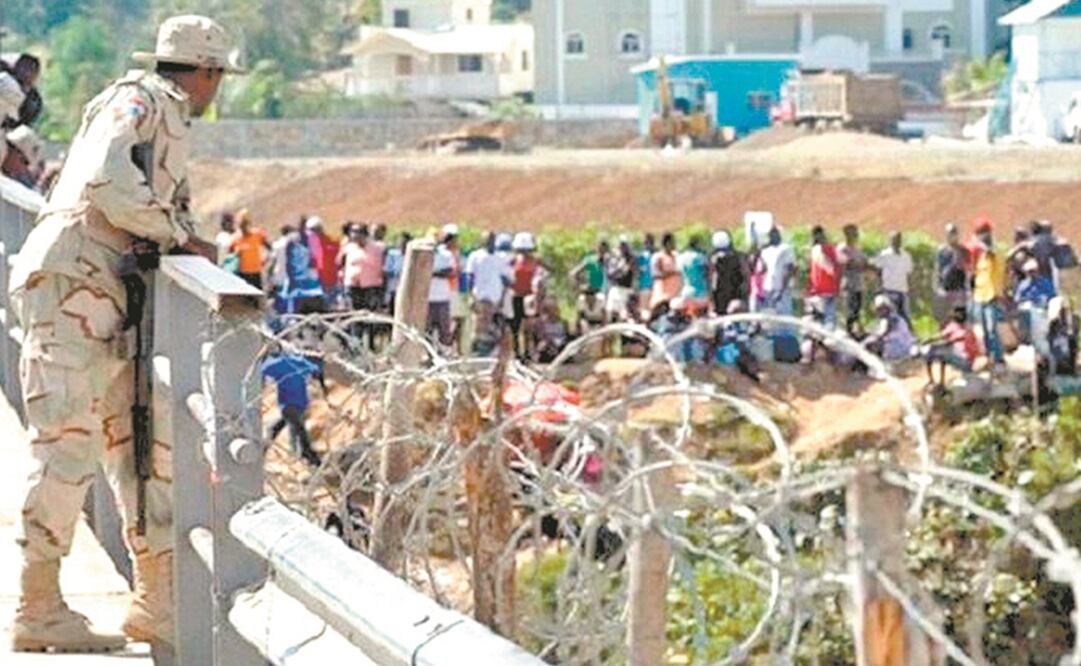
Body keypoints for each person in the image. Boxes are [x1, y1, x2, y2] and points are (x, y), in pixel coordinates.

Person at [6, 15, 241, 652]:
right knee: (68, 446)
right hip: (74, 293)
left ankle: (154, 601)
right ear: (205, 72)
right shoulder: (139, 101)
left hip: (112, 300)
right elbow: (110, 182)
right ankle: (38, 606)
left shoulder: (161, 111)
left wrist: (175, 232)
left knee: (140, 446)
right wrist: (176, 233)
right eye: (217, 77)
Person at [261, 345, 324, 468]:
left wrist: (262, 356)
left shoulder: (278, 363)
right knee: (297, 428)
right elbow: (315, 369)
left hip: (287, 404)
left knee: (293, 428)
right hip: (300, 403)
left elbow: (262, 369)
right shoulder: (299, 362)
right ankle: (308, 456)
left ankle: (303, 454)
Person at [339, 224, 385, 350]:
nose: (354, 235)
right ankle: (356, 346)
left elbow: (383, 268)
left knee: (369, 317)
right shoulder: (348, 248)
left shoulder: (377, 248)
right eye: (352, 232)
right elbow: (340, 263)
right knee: (355, 317)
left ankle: (370, 345)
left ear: (364, 234)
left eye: (357, 232)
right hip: (352, 286)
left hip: (370, 286)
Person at [971, 219, 1008, 370]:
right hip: (980, 296)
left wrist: (981, 245)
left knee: (993, 329)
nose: (981, 237)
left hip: (992, 296)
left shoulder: (994, 252)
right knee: (984, 330)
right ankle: (989, 357)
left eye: (983, 233)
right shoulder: (981, 257)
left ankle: (999, 359)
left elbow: (992, 253)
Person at [466, 232, 511, 347]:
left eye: (492, 240)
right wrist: (470, 296)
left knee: (494, 327)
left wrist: (502, 298)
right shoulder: (475, 256)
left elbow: (505, 279)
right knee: (478, 325)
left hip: (495, 297)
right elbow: (470, 277)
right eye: (487, 240)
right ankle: (473, 350)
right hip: (480, 296)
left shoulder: (500, 258)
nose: (490, 242)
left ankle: (489, 351)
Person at [923, 307, 979, 388]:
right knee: (944, 352)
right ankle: (940, 381)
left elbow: (940, 336)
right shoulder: (969, 327)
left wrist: (927, 340)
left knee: (933, 351)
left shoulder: (953, 326)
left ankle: (933, 380)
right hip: (969, 362)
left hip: (962, 361)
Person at [510, 232, 541, 359]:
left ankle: (528, 352)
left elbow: (540, 276)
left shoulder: (535, 261)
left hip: (529, 297)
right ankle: (517, 353)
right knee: (515, 327)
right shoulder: (513, 261)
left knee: (528, 327)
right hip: (515, 296)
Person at [871, 232, 914, 319]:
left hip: (902, 291)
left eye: (897, 240)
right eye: (893, 240)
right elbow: (877, 270)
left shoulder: (906, 256)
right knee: (889, 316)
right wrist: (879, 287)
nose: (895, 242)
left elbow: (908, 274)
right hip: (888, 290)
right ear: (890, 241)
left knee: (904, 316)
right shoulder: (884, 255)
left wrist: (910, 288)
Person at [933, 223, 969, 325]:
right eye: (949, 233)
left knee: (960, 318)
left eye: (954, 233)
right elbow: (938, 269)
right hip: (945, 290)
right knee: (944, 319)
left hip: (959, 290)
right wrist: (938, 288)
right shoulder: (941, 251)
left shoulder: (963, 250)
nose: (952, 236)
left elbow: (967, 268)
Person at [837, 224, 871, 329]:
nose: (855, 235)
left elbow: (865, 264)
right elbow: (847, 264)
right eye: (853, 233)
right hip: (848, 285)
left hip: (858, 285)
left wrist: (864, 266)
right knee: (849, 312)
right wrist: (860, 265)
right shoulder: (842, 249)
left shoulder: (857, 249)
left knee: (857, 311)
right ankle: (848, 331)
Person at [863, 295, 915, 362]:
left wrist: (867, 336)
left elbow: (881, 333)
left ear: (887, 308)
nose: (880, 311)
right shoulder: (896, 317)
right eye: (879, 309)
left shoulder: (887, 319)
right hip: (907, 347)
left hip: (896, 348)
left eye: (882, 308)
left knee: (870, 344)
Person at [428, 227, 456, 346]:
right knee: (427, 331)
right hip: (427, 299)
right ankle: (428, 357)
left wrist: (431, 273)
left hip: (443, 298)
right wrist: (437, 273)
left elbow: (449, 272)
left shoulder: (446, 254)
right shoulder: (423, 255)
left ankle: (444, 356)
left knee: (444, 331)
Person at [807, 226, 840, 327]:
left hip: (819, 290)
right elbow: (832, 268)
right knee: (829, 320)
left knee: (819, 321)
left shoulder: (814, 250)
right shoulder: (827, 249)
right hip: (827, 290)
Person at [230, 209, 271, 290]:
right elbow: (229, 257)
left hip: (256, 273)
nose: (244, 228)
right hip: (242, 274)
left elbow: (270, 248)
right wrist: (236, 254)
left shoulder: (257, 234)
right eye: (241, 226)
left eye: (245, 225)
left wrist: (264, 260)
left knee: (257, 299)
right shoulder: (236, 238)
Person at [758, 227, 795, 315]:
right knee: (771, 314)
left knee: (784, 314)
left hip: (780, 286)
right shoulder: (765, 251)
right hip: (768, 287)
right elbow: (762, 269)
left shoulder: (786, 249)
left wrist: (783, 288)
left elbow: (789, 268)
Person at [709, 230, 745, 318]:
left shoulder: (713, 258)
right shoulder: (737, 257)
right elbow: (744, 273)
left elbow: (711, 276)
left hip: (719, 290)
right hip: (735, 289)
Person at [305, 217, 341, 305]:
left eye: (314, 230)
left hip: (331, 280)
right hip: (315, 282)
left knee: (331, 304)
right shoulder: (308, 245)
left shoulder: (332, 242)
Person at [649, 232, 682, 320]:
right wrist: (672, 273)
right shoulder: (658, 257)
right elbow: (656, 275)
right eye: (672, 242)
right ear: (666, 243)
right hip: (662, 296)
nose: (674, 245)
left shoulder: (676, 256)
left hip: (675, 295)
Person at [605, 237, 637, 324]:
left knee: (625, 315)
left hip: (626, 290)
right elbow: (610, 274)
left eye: (625, 246)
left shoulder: (631, 259)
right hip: (616, 289)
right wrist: (620, 267)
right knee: (611, 315)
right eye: (621, 246)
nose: (623, 248)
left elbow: (634, 275)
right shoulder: (614, 259)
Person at [530, 297, 570, 364]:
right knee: (543, 344)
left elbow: (566, 336)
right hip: (548, 346)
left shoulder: (563, 322)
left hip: (561, 346)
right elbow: (540, 337)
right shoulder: (541, 323)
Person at [677, 236, 710, 315]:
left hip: (685, 291)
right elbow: (706, 272)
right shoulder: (699, 257)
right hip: (700, 292)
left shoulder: (681, 257)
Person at [383, 232, 411, 314]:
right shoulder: (392, 255)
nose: (402, 245)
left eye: (404, 243)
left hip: (408, 290)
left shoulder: (412, 255)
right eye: (400, 243)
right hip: (394, 289)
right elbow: (387, 270)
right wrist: (398, 273)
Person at [636, 233, 655, 319]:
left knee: (644, 310)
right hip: (652, 287)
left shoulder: (642, 256)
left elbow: (637, 271)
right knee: (649, 310)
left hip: (645, 287)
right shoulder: (655, 254)